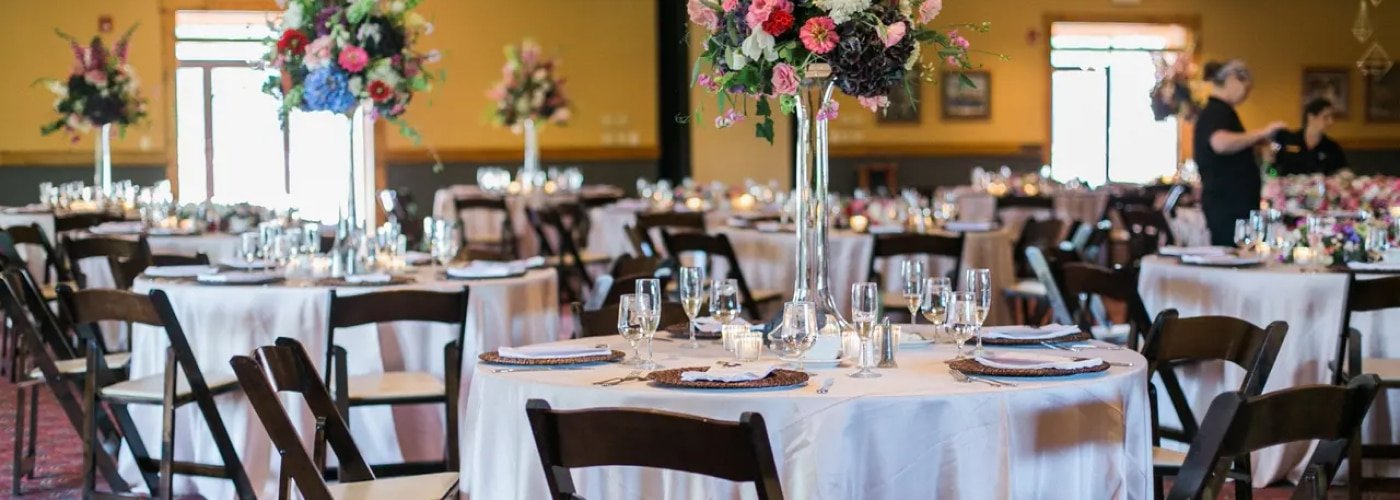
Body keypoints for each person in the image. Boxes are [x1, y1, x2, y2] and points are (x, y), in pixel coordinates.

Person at [1192, 59, 1287, 246]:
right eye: (1247, 87)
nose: (1247, 94)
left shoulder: (1221, 111)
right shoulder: (1217, 111)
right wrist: (1263, 132)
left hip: (1233, 205)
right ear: (1233, 79)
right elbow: (1219, 143)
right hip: (1227, 207)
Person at [1272, 97, 1349, 176]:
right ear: (1311, 117)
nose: (1331, 121)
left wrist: (1346, 176)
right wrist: (1273, 177)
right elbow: (1272, 169)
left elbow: (1343, 170)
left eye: (1332, 117)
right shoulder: (1288, 140)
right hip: (1289, 187)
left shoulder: (1331, 147)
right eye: (1326, 117)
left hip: (1320, 187)